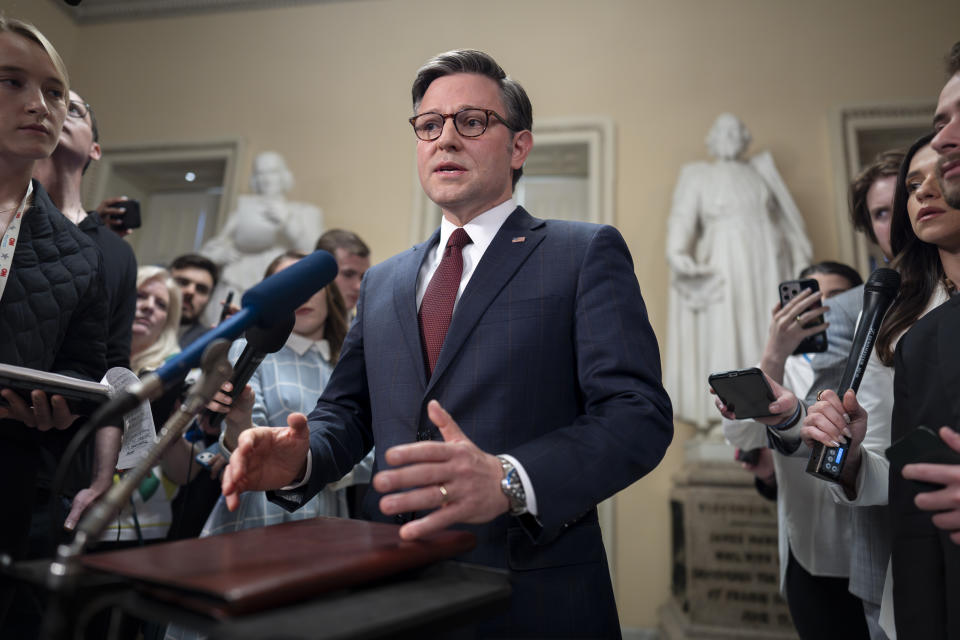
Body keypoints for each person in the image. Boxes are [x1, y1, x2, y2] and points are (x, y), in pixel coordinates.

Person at [220, 49, 672, 637]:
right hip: (393, 588)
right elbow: (349, 411)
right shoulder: (383, 281)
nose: (446, 139)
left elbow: (637, 416)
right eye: (430, 125)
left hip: (531, 592)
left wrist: (510, 479)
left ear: (518, 147)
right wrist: (299, 459)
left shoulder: (581, 253)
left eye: (472, 121)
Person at [803, 133, 957, 639]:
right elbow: (890, 466)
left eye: (942, 172)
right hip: (921, 559)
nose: (923, 193)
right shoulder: (895, 318)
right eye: (912, 185)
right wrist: (850, 463)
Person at [0, 16, 107, 630]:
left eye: (54, 92)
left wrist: (58, 409)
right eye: (11, 82)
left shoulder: (78, 254)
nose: (38, 105)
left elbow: (82, 368)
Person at [719, 261, 869, 640]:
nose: (826, 311)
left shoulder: (875, 362)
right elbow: (742, 437)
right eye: (812, 301)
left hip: (873, 543)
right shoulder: (786, 368)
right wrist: (776, 351)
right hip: (809, 555)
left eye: (838, 298)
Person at [666, 112, 812, 430]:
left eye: (735, 130)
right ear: (712, 140)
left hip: (766, 262)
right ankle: (729, 414)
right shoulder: (699, 176)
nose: (729, 135)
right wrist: (677, 252)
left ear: (745, 138)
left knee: (763, 327)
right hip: (724, 261)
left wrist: (800, 264)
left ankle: (771, 405)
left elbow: (785, 224)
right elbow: (681, 218)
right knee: (726, 329)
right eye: (722, 130)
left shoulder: (761, 173)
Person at [32, 90, 137, 370]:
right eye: (53, 103)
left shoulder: (117, 251)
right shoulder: (9, 217)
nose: (60, 111)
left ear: (95, 149)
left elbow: (115, 359)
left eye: (74, 110)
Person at [200, 151, 323, 325]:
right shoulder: (242, 211)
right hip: (239, 278)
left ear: (283, 176)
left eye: (272, 172)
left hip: (281, 281)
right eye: (260, 173)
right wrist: (222, 253)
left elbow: (317, 254)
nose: (266, 179)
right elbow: (210, 251)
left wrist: (286, 221)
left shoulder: (303, 211)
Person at [315, 228, 371, 313]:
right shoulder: (294, 323)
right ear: (321, 272)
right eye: (348, 274)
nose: (358, 287)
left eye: (363, 277)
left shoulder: (363, 325)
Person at [169, 253, 218, 348]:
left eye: (201, 289)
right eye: (183, 282)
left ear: (209, 298)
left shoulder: (208, 344)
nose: (190, 291)